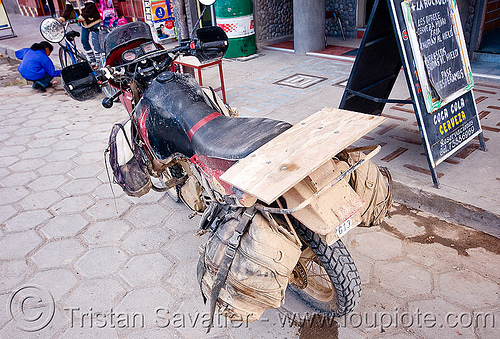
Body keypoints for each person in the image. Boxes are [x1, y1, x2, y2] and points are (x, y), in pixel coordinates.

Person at [58, 0, 104, 66]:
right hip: (84, 24)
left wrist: (82, 17)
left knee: (96, 42)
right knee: (84, 40)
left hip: (94, 21)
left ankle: (99, 62)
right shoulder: (69, 0)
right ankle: (92, 60)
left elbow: (90, 6)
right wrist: (63, 18)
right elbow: (68, 8)